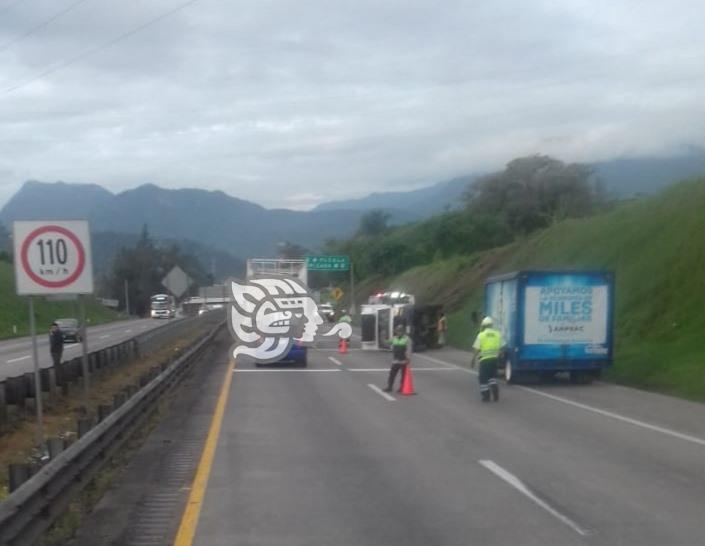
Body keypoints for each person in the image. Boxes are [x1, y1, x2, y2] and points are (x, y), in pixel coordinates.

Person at [471, 316, 502, 402]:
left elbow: (476, 348)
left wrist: (473, 359)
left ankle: (486, 396)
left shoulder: (481, 335)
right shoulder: (497, 334)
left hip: (484, 360)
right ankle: (495, 394)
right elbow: (501, 347)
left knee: (483, 378)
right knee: (492, 377)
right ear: (492, 325)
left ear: (484, 325)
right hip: (494, 359)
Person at [383, 324, 411, 392]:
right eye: (398, 331)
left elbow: (409, 349)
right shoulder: (394, 338)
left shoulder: (407, 339)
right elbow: (387, 343)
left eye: (400, 331)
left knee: (403, 376)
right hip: (395, 360)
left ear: (403, 332)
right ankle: (389, 387)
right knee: (392, 374)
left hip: (403, 360)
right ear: (396, 331)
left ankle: (402, 388)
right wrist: (383, 338)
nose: (399, 332)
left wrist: (408, 358)